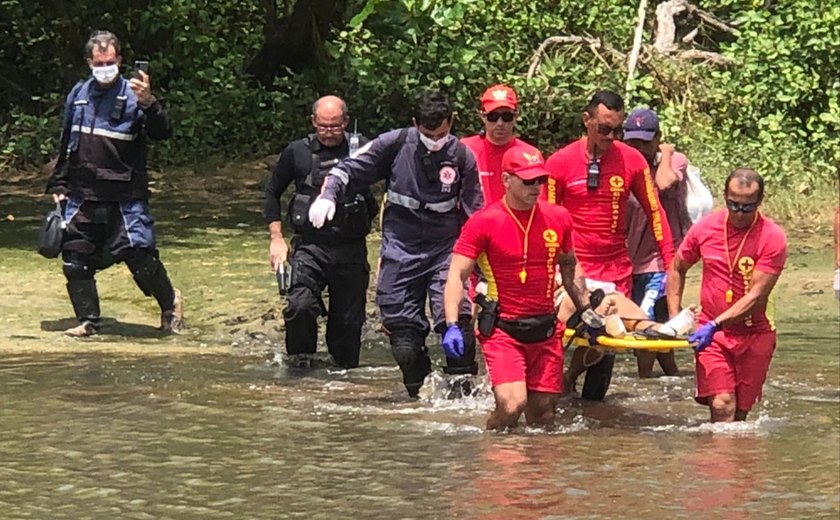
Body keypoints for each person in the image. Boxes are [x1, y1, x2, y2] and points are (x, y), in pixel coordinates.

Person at [308, 90, 484, 398]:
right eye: (429, 134)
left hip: (445, 250)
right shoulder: (395, 144)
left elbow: (477, 219)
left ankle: (464, 394)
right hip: (401, 249)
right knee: (404, 342)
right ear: (416, 124)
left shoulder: (461, 157)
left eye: (442, 133)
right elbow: (347, 168)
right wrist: (328, 195)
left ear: (452, 122)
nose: (436, 140)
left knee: (459, 330)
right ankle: (421, 395)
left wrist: (484, 274)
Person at [45, 30, 182, 337]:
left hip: (125, 194)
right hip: (82, 193)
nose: (104, 67)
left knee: (139, 256)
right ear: (88, 63)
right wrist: (59, 183)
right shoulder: (78, 95)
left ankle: (170, 303)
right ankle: (88, 321)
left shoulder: (135, 96)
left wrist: (149, 103)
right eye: (98, 62)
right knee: (75, 259)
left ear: (120, 60)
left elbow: (162, 133)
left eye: (110, 61)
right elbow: (67, 141)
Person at [443, 144, 584, 429]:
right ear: (507, 180)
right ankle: (491, 450)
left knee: (543, 413)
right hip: (503, 329)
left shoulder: (558, 217)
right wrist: (452, 323)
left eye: (541, 180)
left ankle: (534, 470)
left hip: (545, 328)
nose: (536, 187)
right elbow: (456, 276)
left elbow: (570, 267)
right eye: (528, 181)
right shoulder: (483, 222)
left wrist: (588, 311)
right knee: (511, 405)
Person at [543, 90, 674, 398]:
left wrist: (672, 266)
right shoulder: (559, 163)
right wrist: (549, 269)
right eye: (604, 129)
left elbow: (655, 212)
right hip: (574, 267)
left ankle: (579, 393)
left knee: (608, 344)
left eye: (618, 131)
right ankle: (549, 387)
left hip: (616, 268)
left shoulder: (631, 160)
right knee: (570, 329)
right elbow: (546, 220)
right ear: (586, 121)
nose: (611, 137)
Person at [666, 168, 787, 422]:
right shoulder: (706, 228)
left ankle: (735, 461)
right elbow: (677, 267)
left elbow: (755, 297)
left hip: (756, 332)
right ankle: (716, 461)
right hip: (714, 337)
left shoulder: (772, 237)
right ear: (724, 196)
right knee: (722, 405)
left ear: (759, 202)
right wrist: (675, 319)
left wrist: (715, 323)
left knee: (740, 415)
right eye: (733, 205)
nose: (739, 213)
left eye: (747, 207)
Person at [263, 95, 374, 368]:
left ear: (345, 122)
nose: (328, 133)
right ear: (313, 122)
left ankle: (341, 380)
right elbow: (272, 192)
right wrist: (276, 238)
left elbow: (395, 187)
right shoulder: (297, 152)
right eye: (323, 126)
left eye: (335, 127)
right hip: (310, 246)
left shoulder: (363, 150)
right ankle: (300, 368)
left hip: (351, 248)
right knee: (299, 307)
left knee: (347, 328)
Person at [623, 107, 693, 378]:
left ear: (657, 139)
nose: (638, 148)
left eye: (645, 142)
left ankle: (644, 378)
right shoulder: (622, 163)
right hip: (632, 258)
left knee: (647, 317)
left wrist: (665, 154)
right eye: (632, 142)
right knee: (658, 320)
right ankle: (672, 376)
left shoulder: (674, 162)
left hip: (661, 258)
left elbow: (663, 184)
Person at [461, 84, 538, 204]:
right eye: (493, 116)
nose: (500, 123)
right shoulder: (465, 149)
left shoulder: (530, 155)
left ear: (516, 117)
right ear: (483, 116)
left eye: (507, 116)